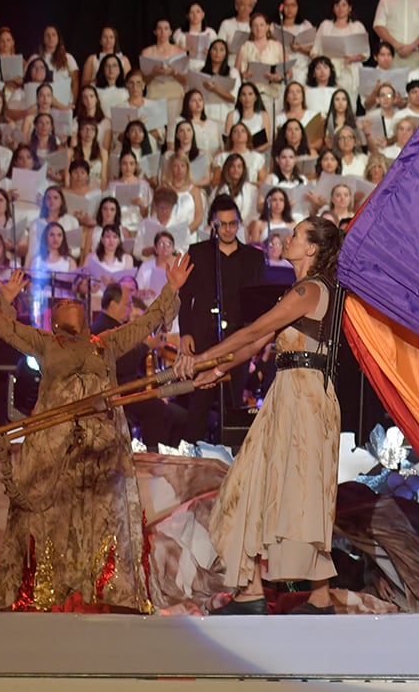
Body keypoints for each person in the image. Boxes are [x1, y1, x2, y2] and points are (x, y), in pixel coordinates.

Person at [0, 255, 192, 611]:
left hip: (100, 448)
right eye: (60, 304)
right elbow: (1, 326)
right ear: (53, 319)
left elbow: (147, 322)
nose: (68, 304)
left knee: (98, 516)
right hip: (54, 447)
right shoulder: (44, 343)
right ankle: (52, 588)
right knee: (54, 518)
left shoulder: (106, 342)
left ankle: (101, 589)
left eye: (73, 301)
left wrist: (172, 287)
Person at [175, 218, 345, 615]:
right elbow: (257, 344)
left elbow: (256, 329)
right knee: (248, 482)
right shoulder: (298, 291)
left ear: (312, 250)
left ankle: (319, 597)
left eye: (296, 235)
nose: (287, 240)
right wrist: (216, 370)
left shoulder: (311, 290)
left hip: (306, 398)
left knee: (301, 492)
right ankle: (250, 589)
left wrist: (201, 358)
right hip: (286, 394)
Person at [178, 196, 266, 441]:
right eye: (222, 224)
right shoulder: (198, 253)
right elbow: (185, 297)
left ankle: (230, 456)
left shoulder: (253, 258)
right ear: (212, 225)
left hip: (238, 338)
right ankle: (192, 453)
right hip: (202, 336)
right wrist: (185, 332)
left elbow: (257, 304)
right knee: (199, 403)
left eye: (232, 224)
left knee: (233, 400)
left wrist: (255, 344)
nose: (228, 229)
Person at [91, 283, 188, 450]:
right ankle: (154, 457)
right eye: (127, 305)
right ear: (113, 305)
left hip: (130, 387)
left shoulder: (115, 326)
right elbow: (122, 365)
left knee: (180, 415)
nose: (129, 310)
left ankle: (168, 455)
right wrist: (146, 346)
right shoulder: (101, 330)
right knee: (157, 409)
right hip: (117, 392)